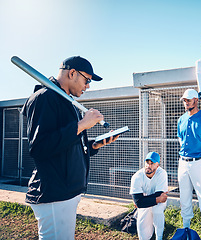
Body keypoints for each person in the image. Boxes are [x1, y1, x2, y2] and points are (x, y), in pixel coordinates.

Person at [22, 56, 118, 239]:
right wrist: (81, 125)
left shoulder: (66, 102)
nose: (88, 86)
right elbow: (39, 147)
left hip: (66, 191)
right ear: (72, 73)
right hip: (54, 193)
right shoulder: (44, 98)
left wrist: (95, 144)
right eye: (87, 80)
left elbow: (69, 146)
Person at [177, 89, 201, 240]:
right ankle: (185, 234)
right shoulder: (181, 119)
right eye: (184, 100)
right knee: (184, 200)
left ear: (196, 100)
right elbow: (181, 140)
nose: (186, 102)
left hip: (199, 163)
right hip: (183, 163)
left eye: (188, 100)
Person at [130, 152, 168, 240]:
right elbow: (139, 203)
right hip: (145, 205)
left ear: (157, 165)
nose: (149, 166)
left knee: (157, 209)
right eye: (147, 162)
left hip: (155, 203)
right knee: (143, 236)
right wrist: (141, 201)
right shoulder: (137, 176)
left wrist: (142, 200)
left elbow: (160, 196)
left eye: (152, 163)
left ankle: (159, 237)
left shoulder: (162, 173)